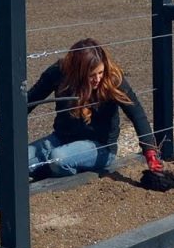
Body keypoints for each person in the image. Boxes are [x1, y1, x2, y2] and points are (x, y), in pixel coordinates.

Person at [26, 37, 163, 179]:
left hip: (100, 147)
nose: (97, 79)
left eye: (100, 72)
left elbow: (137, 114)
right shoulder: (59, 72)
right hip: (62, 138)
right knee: (18, 160)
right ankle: (42, 169)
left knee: (58, 159)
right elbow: (30, 100)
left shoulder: (113, 79)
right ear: (77, 72)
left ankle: (44, 173)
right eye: (91, 75)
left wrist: (150, 152)